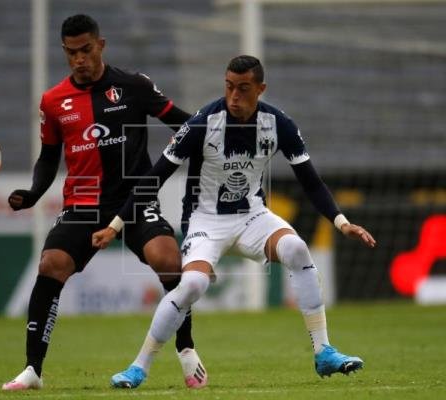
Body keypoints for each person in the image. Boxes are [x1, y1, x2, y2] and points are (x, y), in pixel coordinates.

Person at [92, 55, 377, 389]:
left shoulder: (278, 124)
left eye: (243, 89)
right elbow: (154, 179)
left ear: (261, 89)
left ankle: (324, 352)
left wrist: (341, 222)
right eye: (229, 87)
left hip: (253, 217)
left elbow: (311, 182)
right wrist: (115, 225)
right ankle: (138, 367)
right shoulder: (202, 123)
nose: (234, 97)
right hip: (205, 220)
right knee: (193, 286)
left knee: (297, 249)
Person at [1, 14, 207, 391]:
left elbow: (183, 123)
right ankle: (33, 370)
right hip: (83, 203)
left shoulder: (133, 86)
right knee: (51, 265)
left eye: (86, 50)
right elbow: (49, 158)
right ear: (64, 51)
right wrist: (33, 193)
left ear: (101, 45)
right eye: (71, 52)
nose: (79, 59)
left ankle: (187, 350)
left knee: (168, 260)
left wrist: (211, 136)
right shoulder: (52, 101)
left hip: (134, 197)